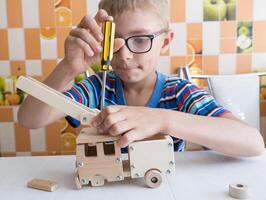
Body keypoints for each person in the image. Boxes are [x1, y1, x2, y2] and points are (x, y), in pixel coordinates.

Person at [18, 0, 264, 157]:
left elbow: (252, 142)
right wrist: (68, 68)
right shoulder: (99, 87)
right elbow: (29, 119)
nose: (124, 56)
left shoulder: (179, 93)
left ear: (165, 42)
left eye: (139, 39)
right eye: (114, 41)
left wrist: (162, 119)